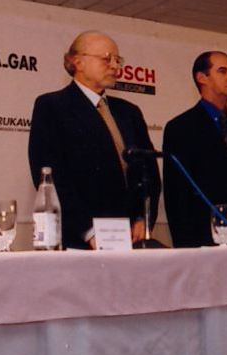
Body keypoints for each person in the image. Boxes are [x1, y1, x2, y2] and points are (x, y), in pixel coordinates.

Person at [28, 30, 160, 249]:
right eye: (107, 58)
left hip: (132, 236)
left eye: (118, 60)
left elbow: (149, 173)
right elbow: (51, 177)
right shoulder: (52, 106)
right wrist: (87, 231)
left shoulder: (129, 112)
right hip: (81, 240)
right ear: (78, 62)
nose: (115, 66)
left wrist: (143, 218)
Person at [162, 51, 227, 247]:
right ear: (202, 78)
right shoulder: (181, 127)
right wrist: (186, 247)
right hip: (202, 241)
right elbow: (176, 195)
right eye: (222, 71)